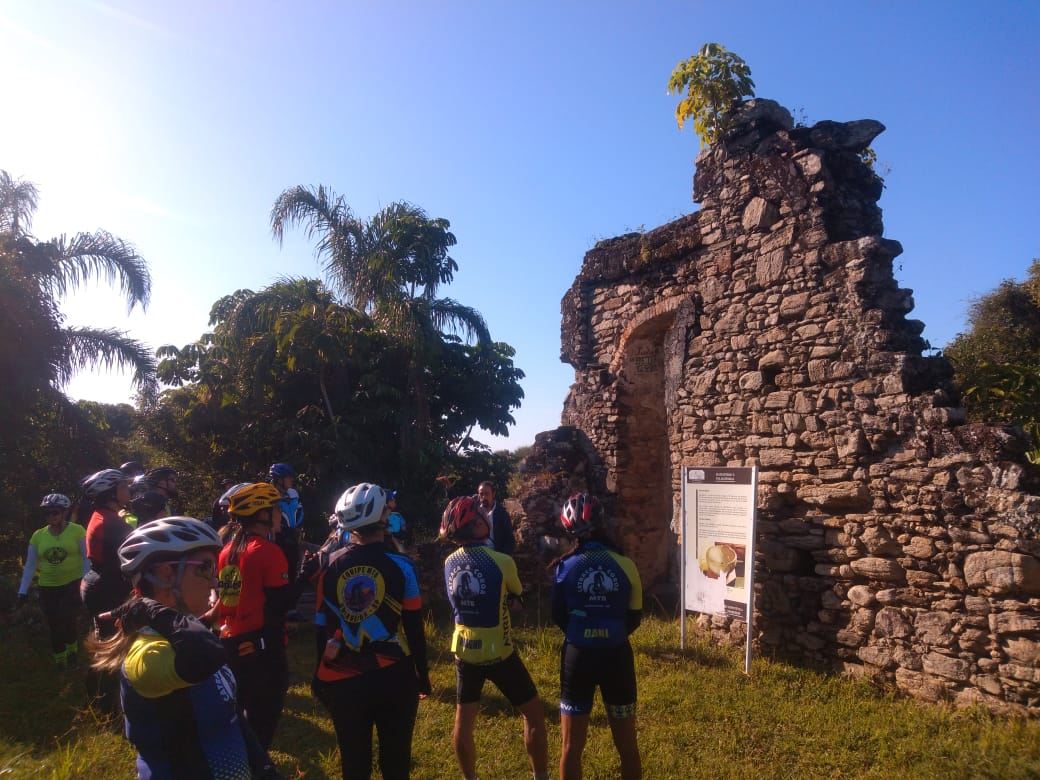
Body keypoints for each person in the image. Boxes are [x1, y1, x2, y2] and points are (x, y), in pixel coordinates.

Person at [90, 517, 280, 779]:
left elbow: (231, 715)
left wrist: (264, 768)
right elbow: (207, 655)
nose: (214, 582)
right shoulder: (145, 653)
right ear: (166, 574)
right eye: (205, 568)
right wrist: (150, 607)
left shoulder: (190, 632)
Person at [312, 482, 430, 780]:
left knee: (354, 765)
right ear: (384, 520)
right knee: (396, 762)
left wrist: (318, 674)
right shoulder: (402, 565)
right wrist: (423, 675)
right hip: (394, 674)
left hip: (344, 677)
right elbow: (414, 626)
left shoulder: (329, 564)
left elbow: (321, 625)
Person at [441, 495, 548, 780]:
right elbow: (515, 592)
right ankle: (541, 776)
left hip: (464, 651)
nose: (486, 517)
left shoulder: (449, 563)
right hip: (499, 651)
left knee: (463, 723)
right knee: (534, 715)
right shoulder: (502, 561)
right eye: (481, 515)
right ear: (476, 525)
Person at [552, 493, 643, 780]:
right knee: (627, 746)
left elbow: (558, 615)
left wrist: (584, 630)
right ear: (602, 522)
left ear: (568, 530)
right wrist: (609, 631)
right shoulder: (625, 564)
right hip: (616, 654)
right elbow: (634, 617)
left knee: (570, 747)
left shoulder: (564, 568)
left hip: (578, 655)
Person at [215, 482, 297, 749]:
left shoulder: (227, 551)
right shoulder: (268, 552)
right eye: (275, 509)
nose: (279, 515)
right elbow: (280, 605)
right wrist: (307, 577)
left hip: (231, 643)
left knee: (240, 721)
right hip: (264, 648)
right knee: (262, 727)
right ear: (262, 514)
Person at [81, 467, 134, 712]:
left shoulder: (102, 515)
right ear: (111, 493)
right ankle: (107, 707)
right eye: (123, 486)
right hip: (108, 586)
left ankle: (97, 699)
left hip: (98, 582)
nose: (128, 489)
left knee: (105, 641)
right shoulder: (112, 523)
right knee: (114, 645)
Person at [16, 493, 88, 666]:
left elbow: (87, 559)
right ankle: (60, 659)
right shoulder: (38, 536)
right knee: (54, 623)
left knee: (69, 620)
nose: (51, 516)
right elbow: (31, 564)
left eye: (55, 512)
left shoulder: (77, 531)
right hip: (48, 586)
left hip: (72, 583)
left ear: (64, 512)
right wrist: (22, 590)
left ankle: (72, 652)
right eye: (47, 513)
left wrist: (86, 583)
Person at [269, 463, 303, 585]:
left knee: (293, 574)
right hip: (278, 540)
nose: (292, 479)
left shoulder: (293, 494)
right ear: (279, 479)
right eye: (288, 477)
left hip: (293, 539)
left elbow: (298, 514)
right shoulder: (269, 496)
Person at [477, 481, 515, 555]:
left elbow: (509, 538)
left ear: (493, 494)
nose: (484, 497)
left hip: (496, 554)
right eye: (481, 494)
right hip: (479, 554)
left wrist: (504, 557)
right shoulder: (476, 512)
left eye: (487, 494)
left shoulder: (502, 513)